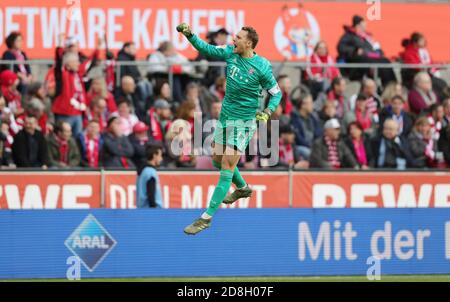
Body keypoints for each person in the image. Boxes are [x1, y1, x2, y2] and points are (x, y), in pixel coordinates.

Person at [177, 23, 281, 234]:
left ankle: (206, 217)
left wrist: (268, 112)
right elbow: (207, 49)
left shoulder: (262, 66)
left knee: (226, 167)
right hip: (225, 118)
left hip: (244, 122)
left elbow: (276, 93)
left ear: (249, 43)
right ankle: (242, 188)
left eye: (239, 37)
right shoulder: (230, 53)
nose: (234, 39)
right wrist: (190, 35)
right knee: (216, 159)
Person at [337, 15, 396, 86]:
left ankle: (391, 85)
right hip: (357, 61)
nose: (364, 27)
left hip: (370, 57)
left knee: (385, 61)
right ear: (357, 25)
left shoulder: (366, 37)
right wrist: (355, 51)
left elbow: (374, 48)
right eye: (363, 25)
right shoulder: (349, 35)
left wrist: (379, 51)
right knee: (372, 63)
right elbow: (341, 47)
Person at [290, 93, 322, 160]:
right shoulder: (294, 119)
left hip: (313, 146)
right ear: (303, 105)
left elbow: (318, 134)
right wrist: (311, 146)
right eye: (310, 103)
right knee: (308, 153)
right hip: (301, 147)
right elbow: (298, 139)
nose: (312, 105)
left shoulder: (312, 117)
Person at [136, 143, 164, 208]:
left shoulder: (143, 171)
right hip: (150, 211)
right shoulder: (150, 172)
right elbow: (151, 194)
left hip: (142, 210)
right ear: (154, 156)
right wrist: (154, 210)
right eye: (160, 156)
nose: (161, 159)